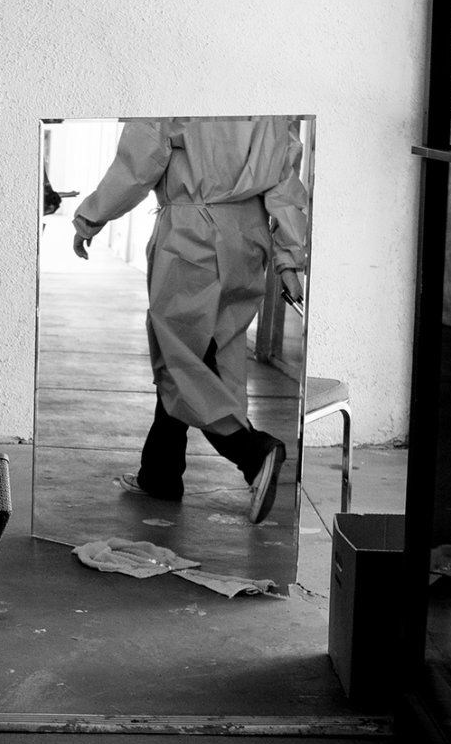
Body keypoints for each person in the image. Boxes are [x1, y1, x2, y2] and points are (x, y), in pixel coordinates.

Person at [71, 116, 309, 524]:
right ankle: (160, 474)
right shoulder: (270, 101)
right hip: (248, 238)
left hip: (192, 234)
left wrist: (91, 216)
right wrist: (289, 258)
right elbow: (285, 182)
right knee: (218, 353)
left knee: (180, 361)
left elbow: (138, 164)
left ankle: (253, 452)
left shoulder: (178, 85)